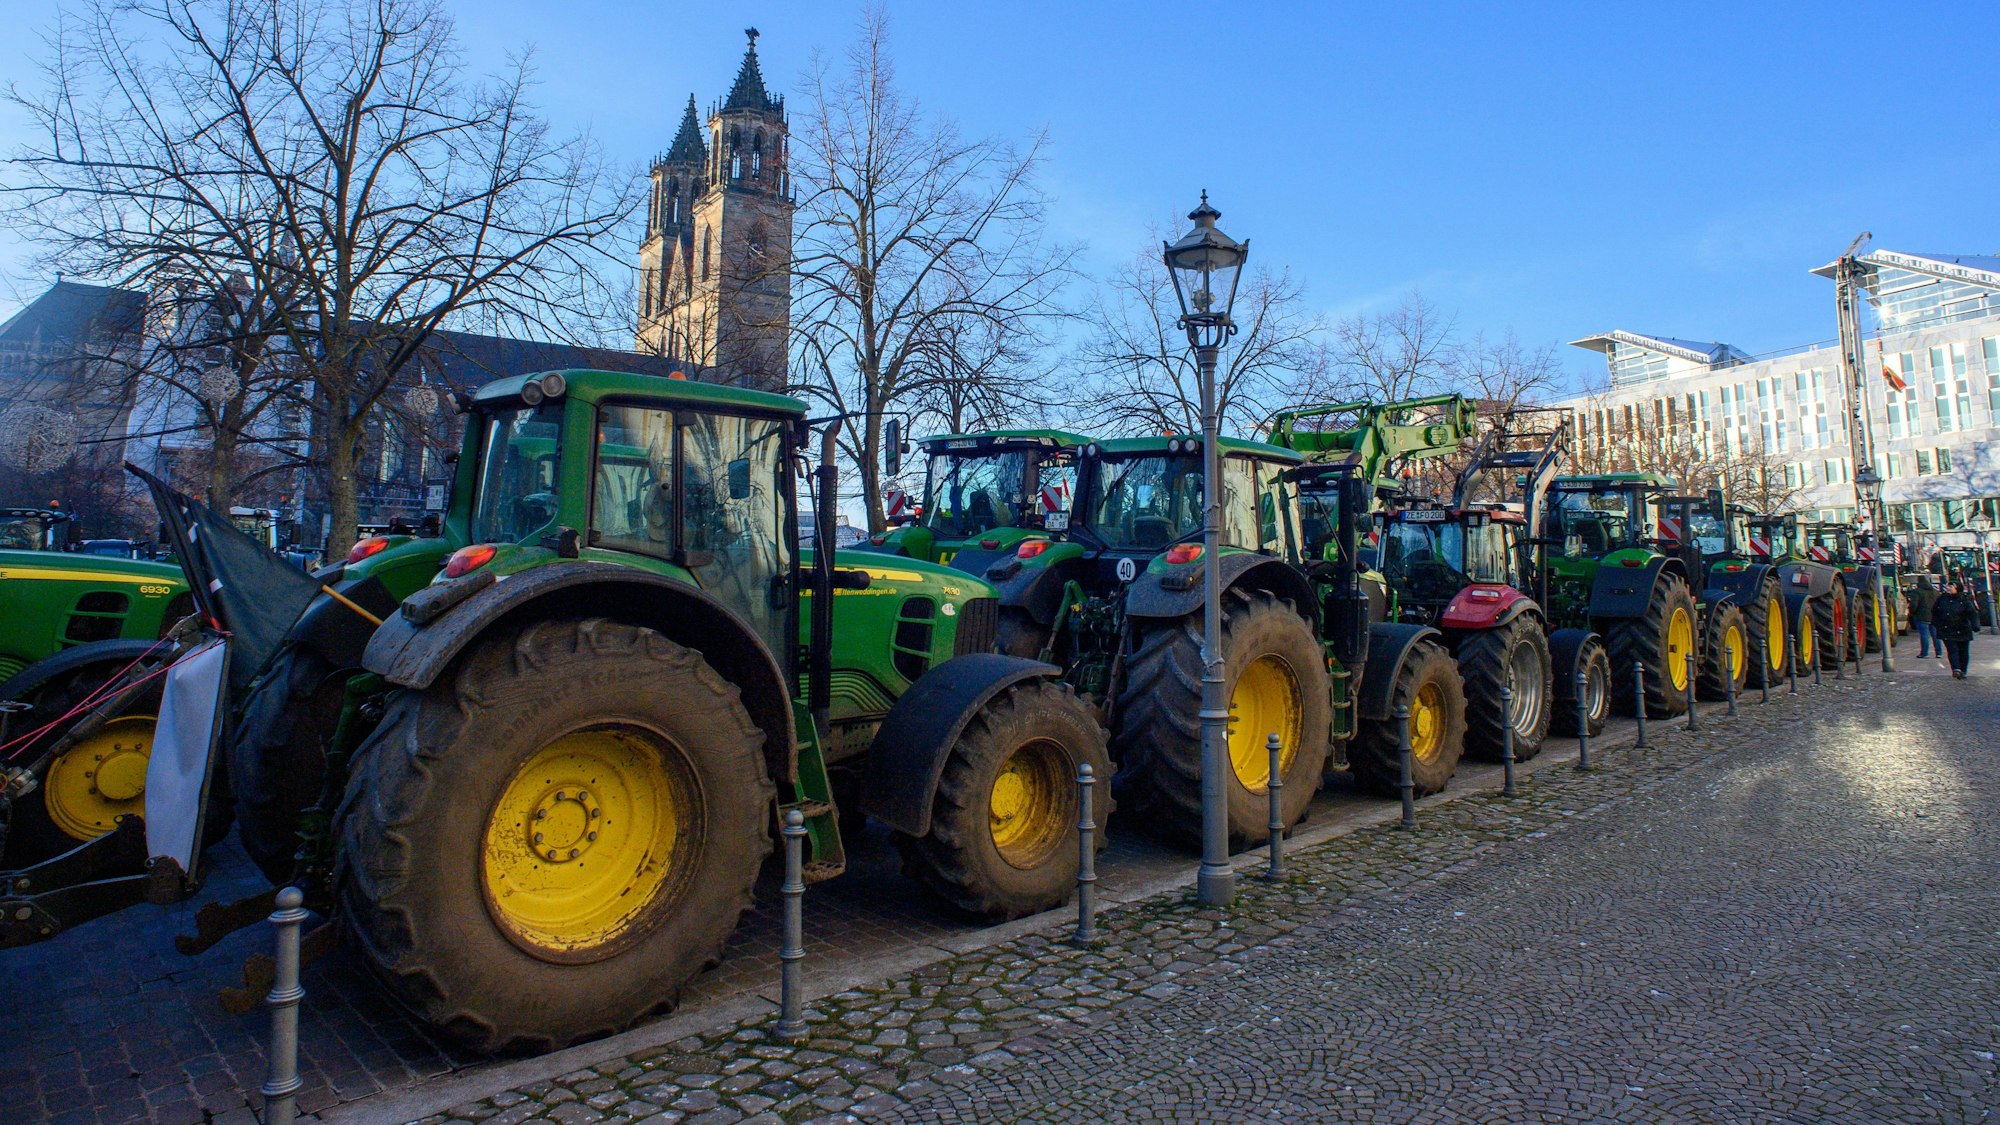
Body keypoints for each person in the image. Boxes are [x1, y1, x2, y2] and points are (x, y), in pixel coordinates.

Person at [1933, 580, 1980, 679]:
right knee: (1952, 650)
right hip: (1947, 629)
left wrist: (1975, 625)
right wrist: (1936, 623)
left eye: (1951, 587)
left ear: (1957, 588)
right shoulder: (1942, 599)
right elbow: (1935, 611)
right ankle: (1956, 669)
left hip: (1962, 629)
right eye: (1947, 587)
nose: (1948, 589)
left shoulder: (1964, 600)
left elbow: (1972, 614)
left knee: (1963, 651)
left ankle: (1963, 670)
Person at [1909, 574, 1940, 659]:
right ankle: (1939, 652)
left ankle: (1924, 653)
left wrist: (1912, 612)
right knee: (1935, 635)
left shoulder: (1917, 592)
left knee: (1924, 635)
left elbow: (1914, 604)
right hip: (1934, 616)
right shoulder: (1935, 592)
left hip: (1921, 616)